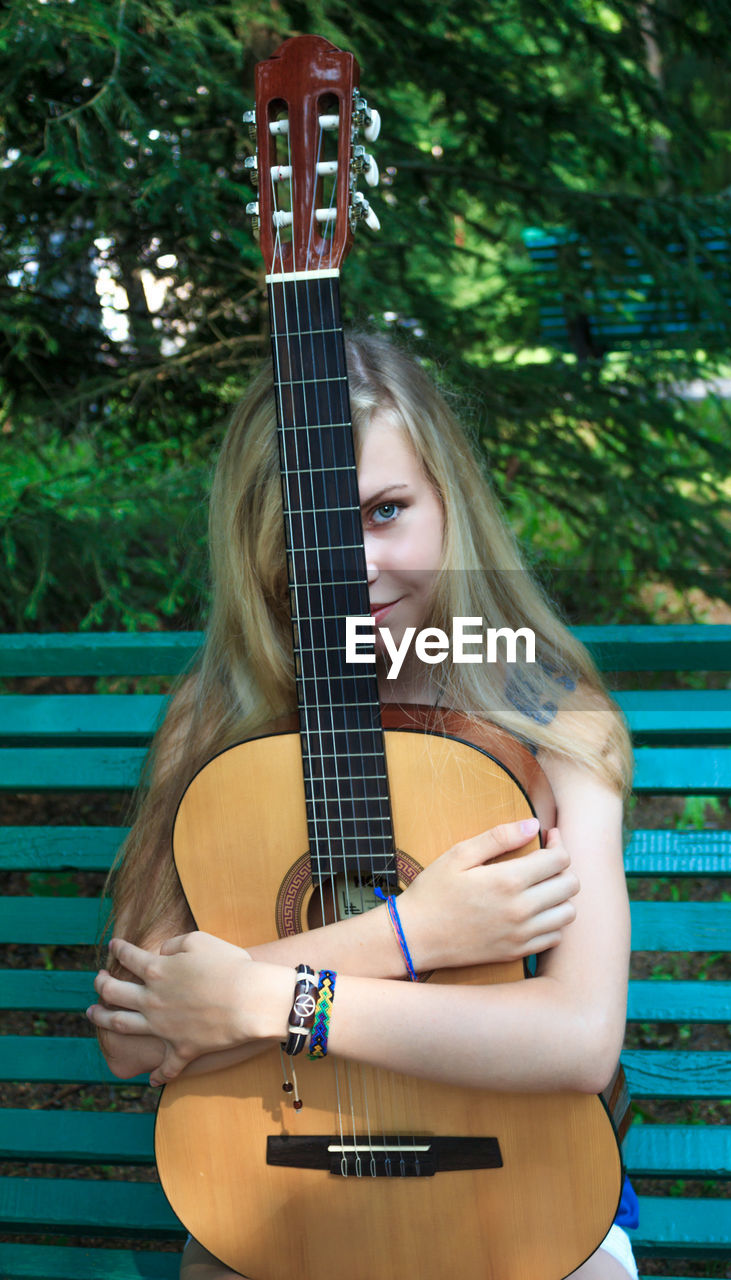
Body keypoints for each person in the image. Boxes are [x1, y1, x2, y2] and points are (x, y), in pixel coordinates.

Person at [88, 332, 637, 1280]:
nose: (351, 566)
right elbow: (136, 1036)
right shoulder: (216, 721)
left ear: (449, 502)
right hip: (269, 1195)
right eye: (311, 530)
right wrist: (410, 934)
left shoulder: (551, 720)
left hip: (527, 1196)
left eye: (386, 512)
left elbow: (577, 1040)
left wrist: (261, 999)